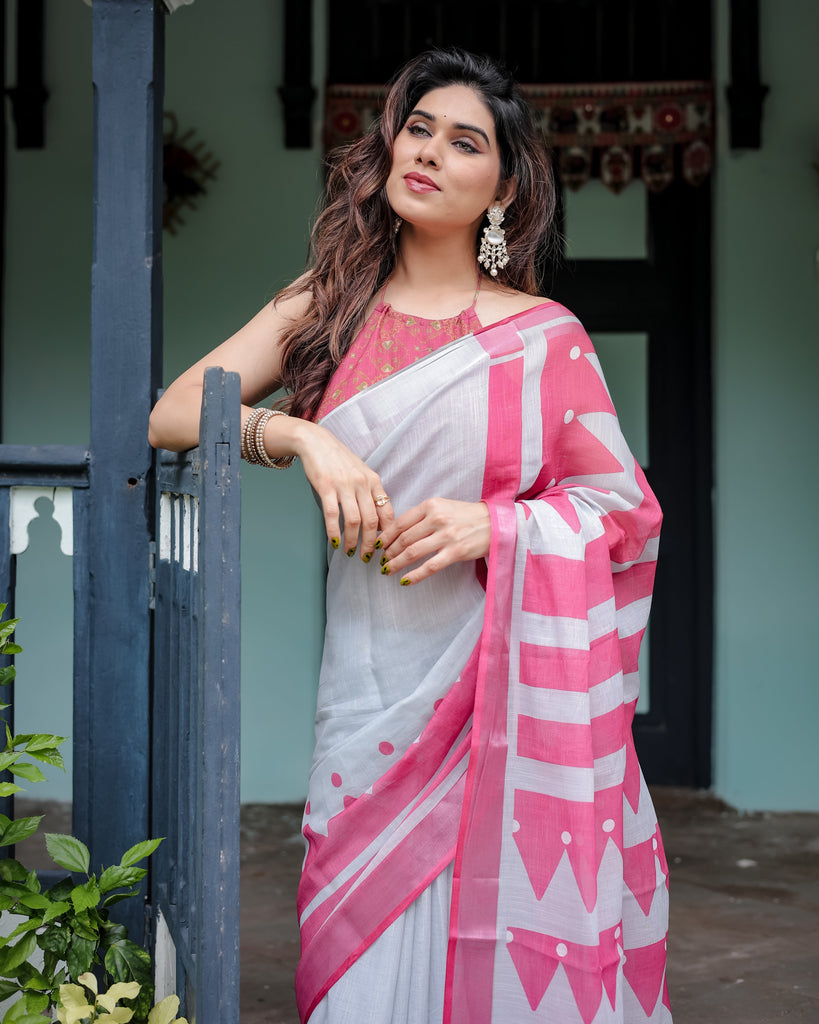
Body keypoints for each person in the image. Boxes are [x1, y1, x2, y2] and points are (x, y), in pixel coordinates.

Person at [149, 47, 670, 1024]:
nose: (428, 150)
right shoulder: (327, 303)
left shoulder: (544, 336)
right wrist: (297, 435)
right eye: (417, 127)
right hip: (368, 695)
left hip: (496, 693)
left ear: (504, 187)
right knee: (357, 962)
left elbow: (623, 513)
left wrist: (497, 525)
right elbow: (174, 410)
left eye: (463, 140)